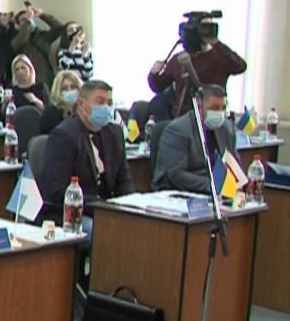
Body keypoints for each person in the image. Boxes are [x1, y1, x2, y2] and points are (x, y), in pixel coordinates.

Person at [37, 80, 134, 224]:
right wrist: (102, 206)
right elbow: (56, 191)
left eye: (109, 103)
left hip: (107, 210)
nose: (106, 107)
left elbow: (124, 180)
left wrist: (131, 205)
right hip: (73, 212)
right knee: (100, 228)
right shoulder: (64, 135)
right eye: (100, 102)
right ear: (81, 104)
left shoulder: (115, 133)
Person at [152, 84, 237, 193]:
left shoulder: (226, 128)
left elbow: (233, 162)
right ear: (199, 106)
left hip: (217, 191)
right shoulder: (178, 130)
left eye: (223, 108)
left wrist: (240, 183)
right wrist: (213, 185)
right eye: (214, 108)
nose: (220, 113)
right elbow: (176, 175)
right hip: (180, 190)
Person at [148, 33, 247, 118]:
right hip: (183, 119)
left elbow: (240, 66)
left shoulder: (220, 57)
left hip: (213, 117)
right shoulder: (178, 59)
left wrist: (216, 43)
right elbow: (158, 86)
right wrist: (153, 73)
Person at [10, 4, 66, 90]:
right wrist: (28, 21)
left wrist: (42, 15)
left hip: (46, 80)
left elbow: (60, 28)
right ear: (18, 24)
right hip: (27, 82)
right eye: (23, 20)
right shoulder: (16, 38)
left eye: (29, 18)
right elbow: (20, 40)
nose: (27, 20)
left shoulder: (42, 37)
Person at [41, 70, 83, 135]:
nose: (69, 91)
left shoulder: (83, 110)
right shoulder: (50, 113)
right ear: (58, 91)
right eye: (64, 88)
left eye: (73, 87)